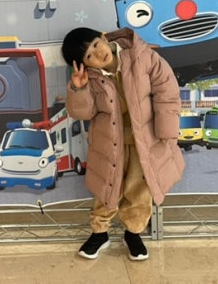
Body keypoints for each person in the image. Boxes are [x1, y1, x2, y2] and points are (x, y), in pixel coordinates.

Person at [61, 26, 184, 261]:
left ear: (103, 37)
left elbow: (166, 89)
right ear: (84, 65)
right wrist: (79, 88)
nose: (98, 53)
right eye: (89, 56)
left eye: (96, 45)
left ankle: (133, 233)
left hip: (144, 142)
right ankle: (99, 233)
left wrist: (166, 129)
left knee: (140, 190)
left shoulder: (142, 56)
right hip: (109, 144)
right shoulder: (91, 80)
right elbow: (84, 112)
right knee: (107, 188)